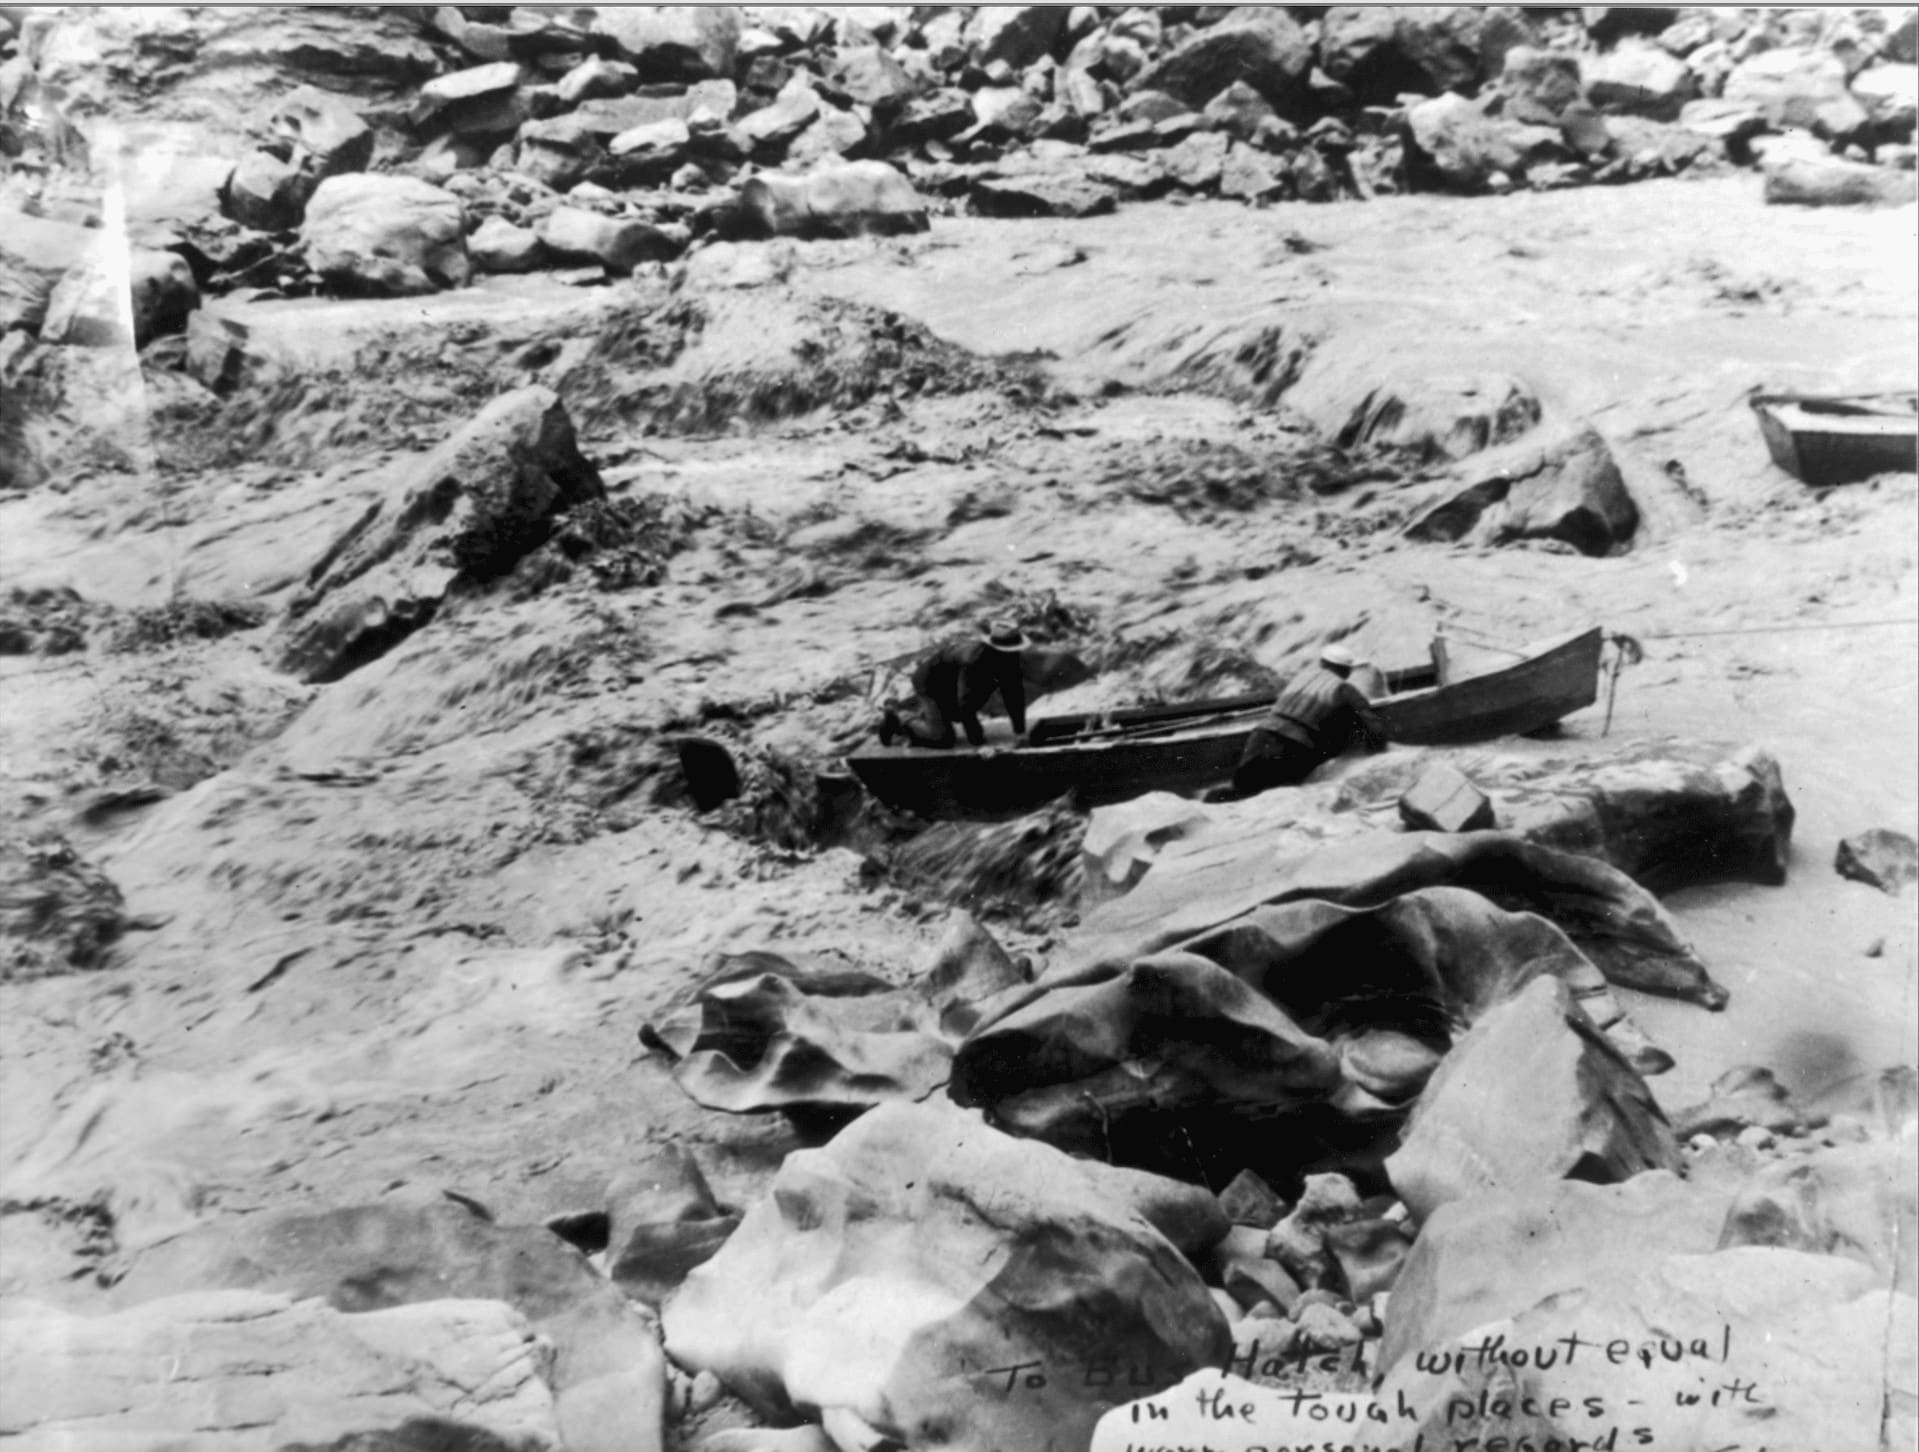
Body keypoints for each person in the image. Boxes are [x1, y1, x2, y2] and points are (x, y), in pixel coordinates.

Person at [1231, 642, 1386, 796]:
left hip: (1260, 736)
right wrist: (1378, 753)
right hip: (1292, 745)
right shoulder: (1343, 688)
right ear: (1347, 671)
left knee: (1242, 790)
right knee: (1279, 793)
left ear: (1322, 663)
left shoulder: (1300, 678)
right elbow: (1371, 723)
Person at [879, 619, 1029, 750]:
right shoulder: (973, 661)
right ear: (994, 649)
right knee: (942, 738)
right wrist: (977, 742)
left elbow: (1014, 695)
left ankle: (929, 717)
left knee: (957, 714)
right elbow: (965, 704)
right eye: (1007, 651)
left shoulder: (1010, 660)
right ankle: (897, 714)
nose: (1013, 654)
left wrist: (1020, 732)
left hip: (951, 681)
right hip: (930, 682)